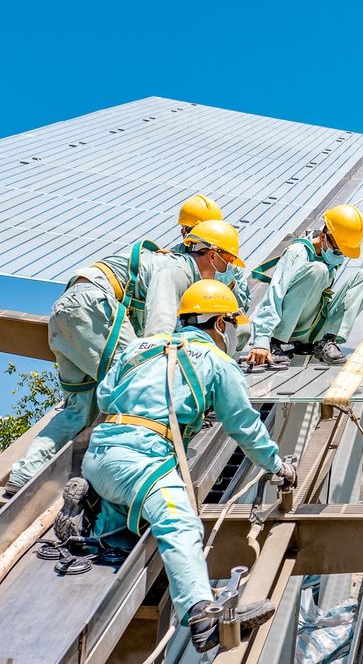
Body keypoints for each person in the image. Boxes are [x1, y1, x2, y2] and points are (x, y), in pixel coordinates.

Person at [53, 280, 296, 653]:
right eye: (231, 325)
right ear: (219, 324)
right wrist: (277, 466)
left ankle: (94, 522)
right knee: (178, 522)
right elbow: (243, 425)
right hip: (142, 460)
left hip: (100, 454)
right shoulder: (217, 362)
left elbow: (104, 394)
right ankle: (202, 618)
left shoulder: (140, 347)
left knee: (126, 517)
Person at [5, 220, 247, 495]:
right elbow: (158, 333)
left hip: (68, 310)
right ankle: (129, 468)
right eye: (229, 262)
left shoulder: (163, 263)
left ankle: (25, 473)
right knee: (139, 381)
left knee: (80, 406)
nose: (228, 272)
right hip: (93, 307)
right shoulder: (178, 270)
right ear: (212, 255)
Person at [244, 204, 363, 367]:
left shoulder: (329, 256)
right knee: (318, 270)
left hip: (314, 327)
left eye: (343, 252)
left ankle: (327, 341)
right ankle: (277, 343)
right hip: (289, 329)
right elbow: (275, 295)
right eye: (338, 250)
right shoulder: (297, 253)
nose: (339, 256)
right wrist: (261, 340)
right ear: (324, 236)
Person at [169, 195, 252, 353]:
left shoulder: (226, 260)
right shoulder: (175, 260)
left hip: (215, 322)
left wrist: (230, 285)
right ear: (183, 232)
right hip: (183, 322)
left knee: (242, 328)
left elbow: (243, 307)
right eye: (192, 230)